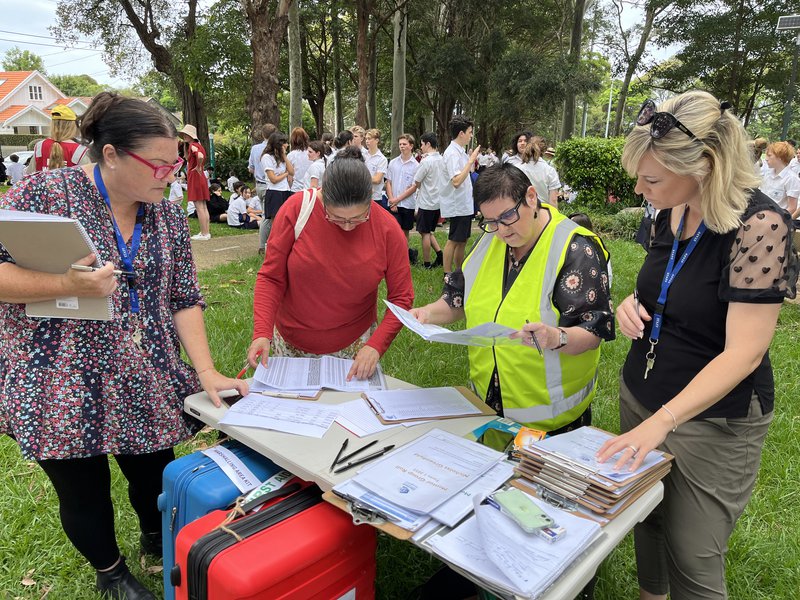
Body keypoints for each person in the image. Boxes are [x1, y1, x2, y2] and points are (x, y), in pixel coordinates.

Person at [0, 92, 246, 600]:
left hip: (144, 369)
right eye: (158, 165)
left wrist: (205, 371)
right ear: (110, 155)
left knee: (154, 472)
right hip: (60, 376)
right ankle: (111, 573)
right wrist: (66, 285)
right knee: (83, 489)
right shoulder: (44, 195)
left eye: (175, 163)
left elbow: (183, 297)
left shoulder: (168, 216)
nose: (170, 175)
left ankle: (157, 537)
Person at [597, 92, 798, 600]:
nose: (639, 189)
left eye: (651, 180)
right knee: (647, 517)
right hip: (644, 390)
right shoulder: (669, 208)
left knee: (693, 555)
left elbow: (744, 353)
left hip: (713, 418)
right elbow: (668, 288)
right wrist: (629, 305)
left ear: (704, 166)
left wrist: (662, 421)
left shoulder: (761, 226)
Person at [412, 163, 614, 449]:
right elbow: (459, 298)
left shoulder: (575, 248)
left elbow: (593, 332)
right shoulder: (490, 239)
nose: (501, 231)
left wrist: (555, 337)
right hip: (490, 407)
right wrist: (427, 314)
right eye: (490, 221)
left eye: (508, 216)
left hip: (552, 423)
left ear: (531, 197)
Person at [247, 146, 414, 380]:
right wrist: (262, 332)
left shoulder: (387, 229)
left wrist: (376, 346)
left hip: (355, 345)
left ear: (370, 201)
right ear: (323, 195)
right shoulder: (296, 210)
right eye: (336, 218)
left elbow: (401, 297)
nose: (347, 227)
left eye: (358, 218)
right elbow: (271, 277)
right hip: (291, 341)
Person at [441, 115, 481, 273]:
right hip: (457, 203)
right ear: (461, 133)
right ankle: (447, 273)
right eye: (470, 132)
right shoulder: (452, 153)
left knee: (462, 240)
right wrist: (471, 160)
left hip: (464, 203)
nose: (471, 135)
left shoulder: (460, 152)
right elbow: (456, 181)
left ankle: (459, 271)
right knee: (453, 240)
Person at [414, 132, 446, 269]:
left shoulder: (426, 161)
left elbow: (417, 181)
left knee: (425, 233)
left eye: (422, 144)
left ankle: (426, 263)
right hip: (438, 202)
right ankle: (440, 255)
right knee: (427, 231)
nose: (421, 147)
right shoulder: (442, 159)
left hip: (426, 202)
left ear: (428, 144)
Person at [385, 133, 419, 262]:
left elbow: (413, 187)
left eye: (404, 144)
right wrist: (391, 200)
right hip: (393, 203)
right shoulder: (393, 163)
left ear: (411, 146)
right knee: (394, 230)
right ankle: (394, 255)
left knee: (405, 231)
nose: (402, 146)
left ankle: (404, 255)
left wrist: (397, 200)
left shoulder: (416, 165)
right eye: (400, 144)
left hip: (407, 204)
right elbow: (388, 182)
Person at [259, 131, 295, 251]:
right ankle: (272, 247)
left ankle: (282, 246)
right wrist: (285, 174)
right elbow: (273, 179)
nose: (287, 145)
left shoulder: (282, 157)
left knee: (286, 221)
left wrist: (284, 156)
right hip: (274, 192)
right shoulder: (267, 157)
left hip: (285, 190)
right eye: (284, 143)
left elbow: (292, 171)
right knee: (276, 223)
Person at [29, 104, 89, 172]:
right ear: (74, 125)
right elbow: (89, 176)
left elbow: (29, 174)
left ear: (52, 124)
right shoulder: (80, 150)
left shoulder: (40, 146)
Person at [179, 124, 212, 241]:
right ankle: (206, 232)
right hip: (200, 176)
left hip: (195, 176)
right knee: (203, 206)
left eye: (186, 134)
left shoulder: (193, 145)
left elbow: (200, 156)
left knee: (199, 207)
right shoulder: (198, 145)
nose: (184, 136)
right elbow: (196, 156)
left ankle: (204, 233)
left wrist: (198, 166)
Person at [759, 141, 799, 217]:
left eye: (769, 155)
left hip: (777, 219)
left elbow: (792, 208)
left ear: (780, 157)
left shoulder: (791, 179)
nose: (766, 159)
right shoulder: (767, 173)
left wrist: (778, 219)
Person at [248, 123, 277, 216]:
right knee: (268, 216)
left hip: (259, 185)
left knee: (266, 214)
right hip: (269, 185)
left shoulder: (254, 149)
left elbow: (251, 169)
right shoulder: (274, 149)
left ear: (262, 134)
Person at [364, 128, 388, 209]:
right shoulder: (362, 155)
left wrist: (360, 178)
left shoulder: (382, 159)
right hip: (362, 196)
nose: (367, 141)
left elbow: (377, 180)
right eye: (366, 139)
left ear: (377, 140)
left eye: (369, 139)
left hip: (375, 198)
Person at [287, 127, 311, 194]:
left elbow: (289, 177)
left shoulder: (291, 155)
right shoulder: (311, 153)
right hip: (309, 188)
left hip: (296, 189)